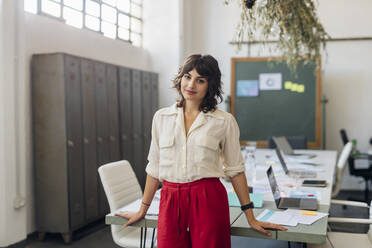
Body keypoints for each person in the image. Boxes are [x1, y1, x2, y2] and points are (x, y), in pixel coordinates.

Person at [116, 54, 287, 248]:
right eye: (187, 77)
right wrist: (142, 210)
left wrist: (251, 217)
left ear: (210, 85)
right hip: (170, 200)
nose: (191, 85)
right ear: (180, 78)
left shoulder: (224, 121)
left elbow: (236, 171)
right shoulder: (161, 118)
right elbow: (154, 167)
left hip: (207, 198)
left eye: (200, 80)